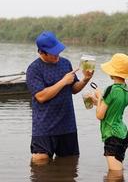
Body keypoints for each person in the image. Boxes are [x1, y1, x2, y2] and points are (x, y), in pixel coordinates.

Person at [26, 31, 94, 164]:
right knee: (40, 162)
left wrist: (85, 79)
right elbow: (41, 96)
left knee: (69, 163)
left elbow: (74, 88)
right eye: (53, 52)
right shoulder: (34, 69)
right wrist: (63, 81)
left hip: (67, 124)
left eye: (58, 51)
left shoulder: (65, 63)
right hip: (44, 126)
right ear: (41, 52)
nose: (57, 55)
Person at [91, 53, 128, 171]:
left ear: (113, 72)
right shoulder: (125, 89)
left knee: (115, 174)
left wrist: (100, 97)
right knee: (118, 169)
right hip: (123, 134)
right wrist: (98, 102)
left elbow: (100, 115)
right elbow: (113, 107)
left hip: (113, 135)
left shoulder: (110, 89)